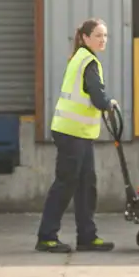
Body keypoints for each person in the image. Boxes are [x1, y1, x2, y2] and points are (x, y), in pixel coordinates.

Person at [36, 18, 119, 254]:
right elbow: (97, 97)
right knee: (65, 184)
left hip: (78, 133)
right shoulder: (88, 61)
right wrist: (109, 103)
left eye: (105, 36)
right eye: (98, 35)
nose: (103, 40)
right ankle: (46, 237)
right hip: (71, 132)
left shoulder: (80, 58)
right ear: (85, 37)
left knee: (86, 184)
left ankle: (87, 236)